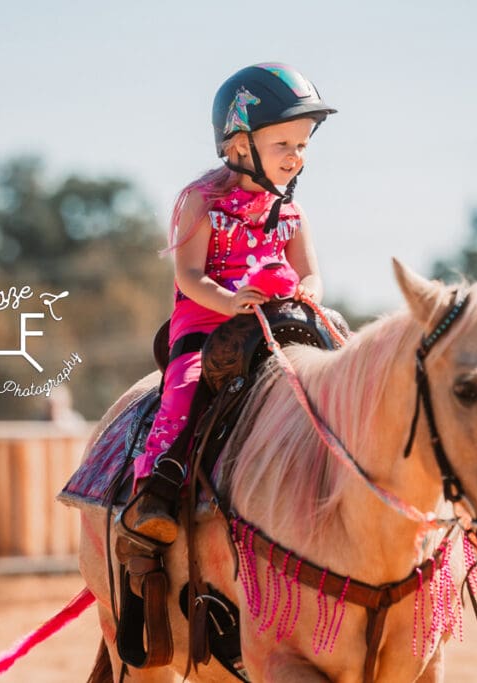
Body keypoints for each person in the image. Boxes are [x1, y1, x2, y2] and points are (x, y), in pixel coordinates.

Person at [122, 63, 337, 545]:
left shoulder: (293, 213)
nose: (296, 157)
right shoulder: (200, 202)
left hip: (277, 321)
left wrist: (309, 293)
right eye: (284, 144)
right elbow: (189, 276)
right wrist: (231, 301)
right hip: (207, 321)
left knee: (338, 363)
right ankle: (158, 484)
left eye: (302, 145)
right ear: (239, 145)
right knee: (188, 384)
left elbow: (312, 273)